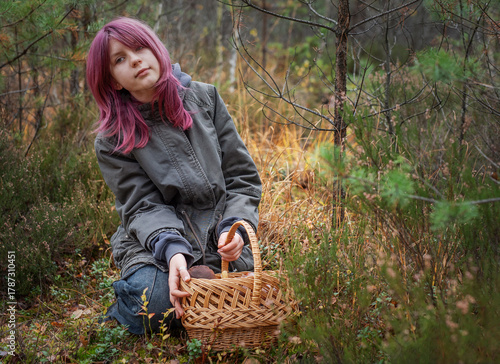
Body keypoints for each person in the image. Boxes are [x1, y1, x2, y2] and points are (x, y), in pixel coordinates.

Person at [86, 17, 261, 335]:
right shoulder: (112, 139)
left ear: (155, 49)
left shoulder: (205, 99)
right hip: (156, 243)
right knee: (150, 304)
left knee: (245, 296)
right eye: (120, 59)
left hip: (217, 239)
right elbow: (141, 206)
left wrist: (234, 230)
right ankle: (138, 303)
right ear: (113, 81)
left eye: (139, 47)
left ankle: (196, 293)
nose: (136, 59)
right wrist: (173, 252)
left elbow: (242, 176)